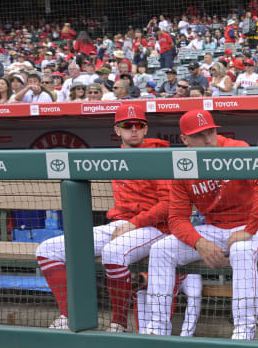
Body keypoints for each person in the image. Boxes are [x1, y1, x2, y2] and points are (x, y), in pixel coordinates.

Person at [142, 110, 258, 339]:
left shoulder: (235, 149)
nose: (208, 139)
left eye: (210, 132)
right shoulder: (183, 165)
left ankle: (246, 331)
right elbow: (177, 218)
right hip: (217, 230)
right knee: (161, 249)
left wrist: (249, 229)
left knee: (241, 249)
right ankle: (157, 329)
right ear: (185, 140)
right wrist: (199, 243)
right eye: (199, 135)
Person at [36, 104, 173, 332]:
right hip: (122, 226)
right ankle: (68, 314)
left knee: (114, 251)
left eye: (138, 125)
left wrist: (134, 223)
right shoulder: (114, 157)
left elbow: (168, 205)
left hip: (157, 228)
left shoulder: (159, 155)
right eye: (127, 126)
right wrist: (127, 224)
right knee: (47, 249)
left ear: (146, 128)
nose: (133, 130)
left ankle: (118, 322)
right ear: (117, 130)